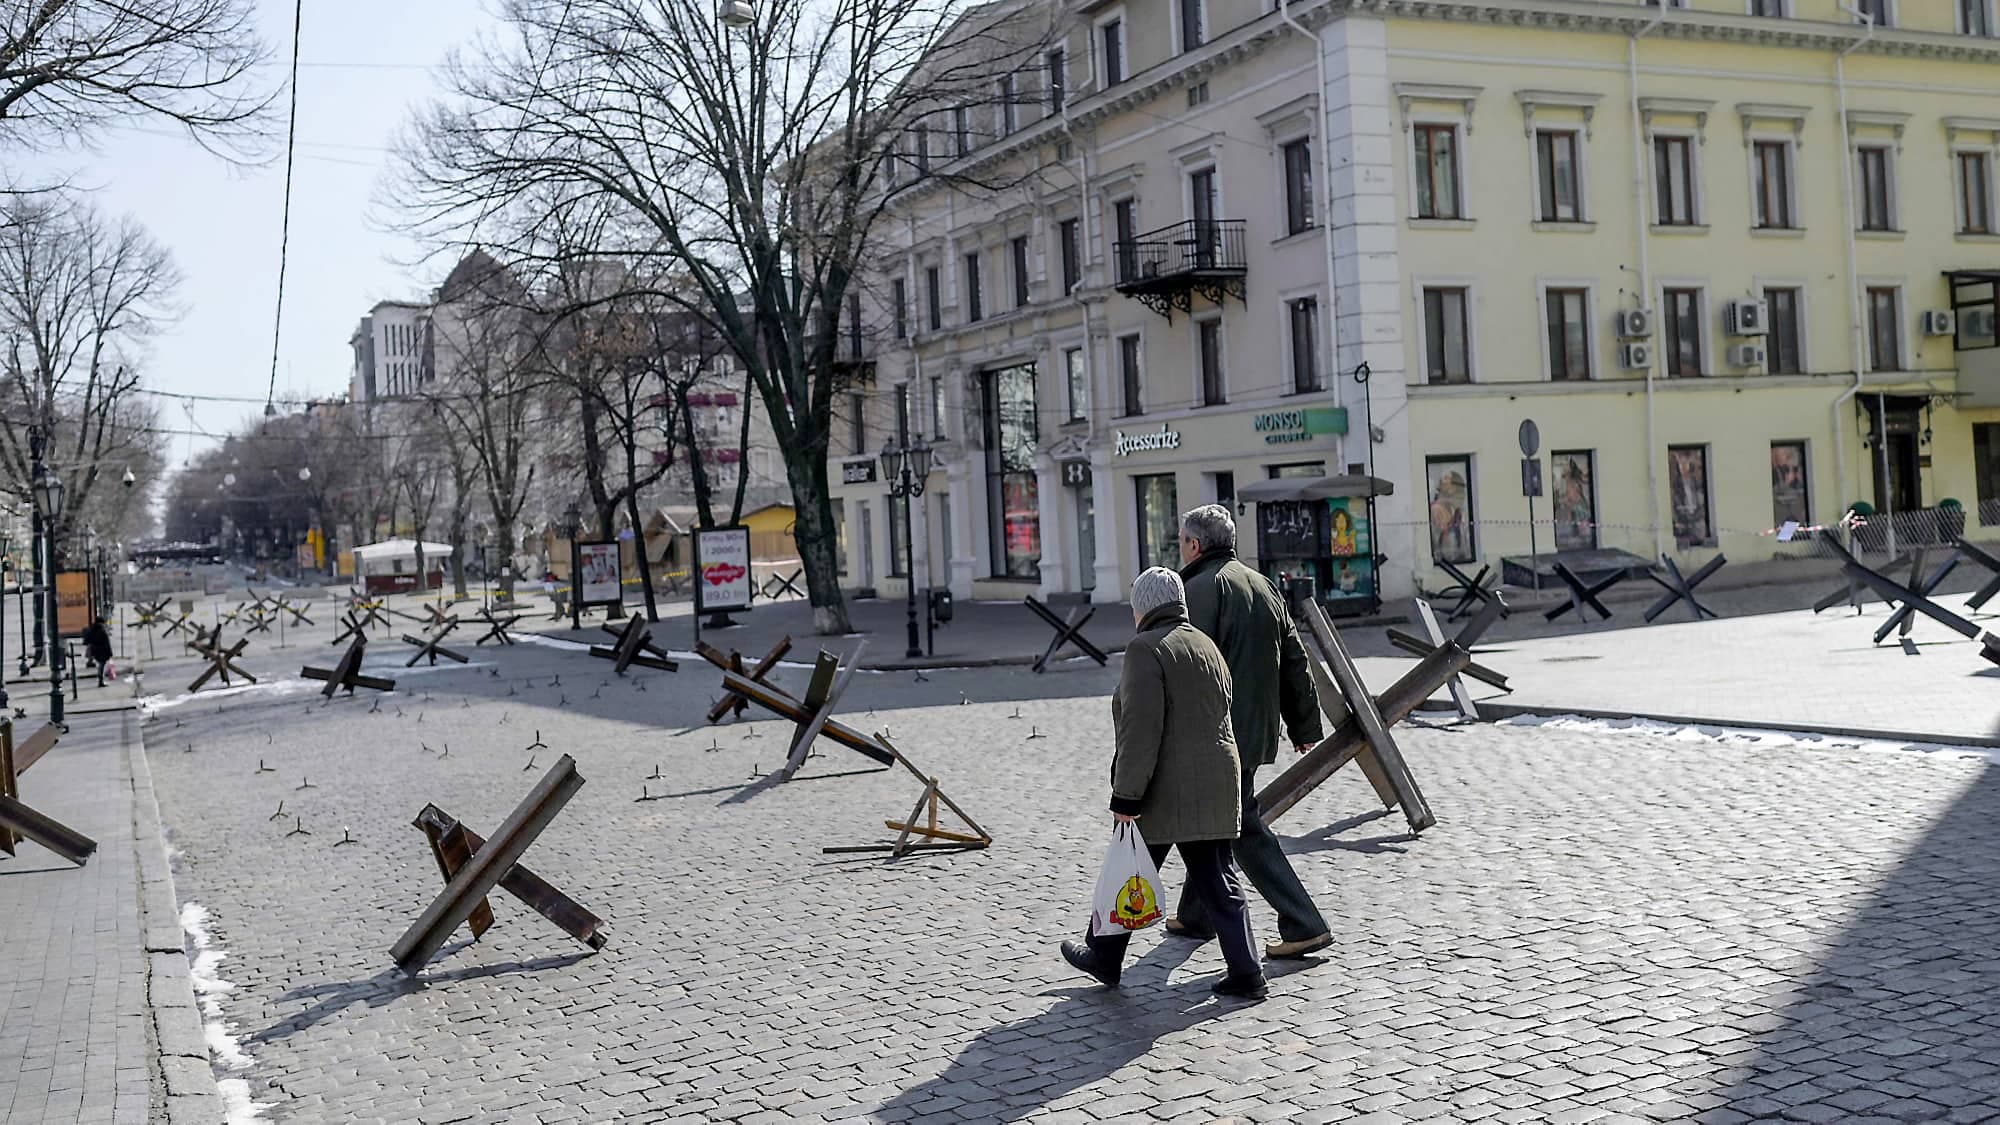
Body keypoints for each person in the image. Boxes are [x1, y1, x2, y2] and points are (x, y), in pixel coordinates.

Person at [1060, 567, 1266, 1000]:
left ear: (1142, 609)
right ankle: (1243, 968)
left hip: (1168, 786)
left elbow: (1140, 728)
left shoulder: (1145, 649)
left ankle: (1104, 955)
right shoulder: (1204, 643)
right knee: (1213, 875)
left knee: (1129, 866)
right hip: (1216, 777)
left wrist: (1126, 794)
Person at [1171, 504, 1332, 960]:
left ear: (1196, 545)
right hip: (1257, 730)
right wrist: (1303, 725)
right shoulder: (1263, 585)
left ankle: (1304, 921)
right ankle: (1194, 913)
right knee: (1211, 818)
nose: (1180, 548)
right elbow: (1295, 659)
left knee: (1240, 827)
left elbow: (1184, 664)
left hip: (1215, 733)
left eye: (1182, 540)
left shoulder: (1193, 591)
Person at [82, 616, 114, 686]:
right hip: (102, 651)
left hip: (95, 650)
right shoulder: (102, 630)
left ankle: (101, 680)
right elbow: (106, 643)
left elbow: (87, 640)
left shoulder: (92, 629)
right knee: (102, 666)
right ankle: (101, 681)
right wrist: (110, 653)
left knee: (101, 665)